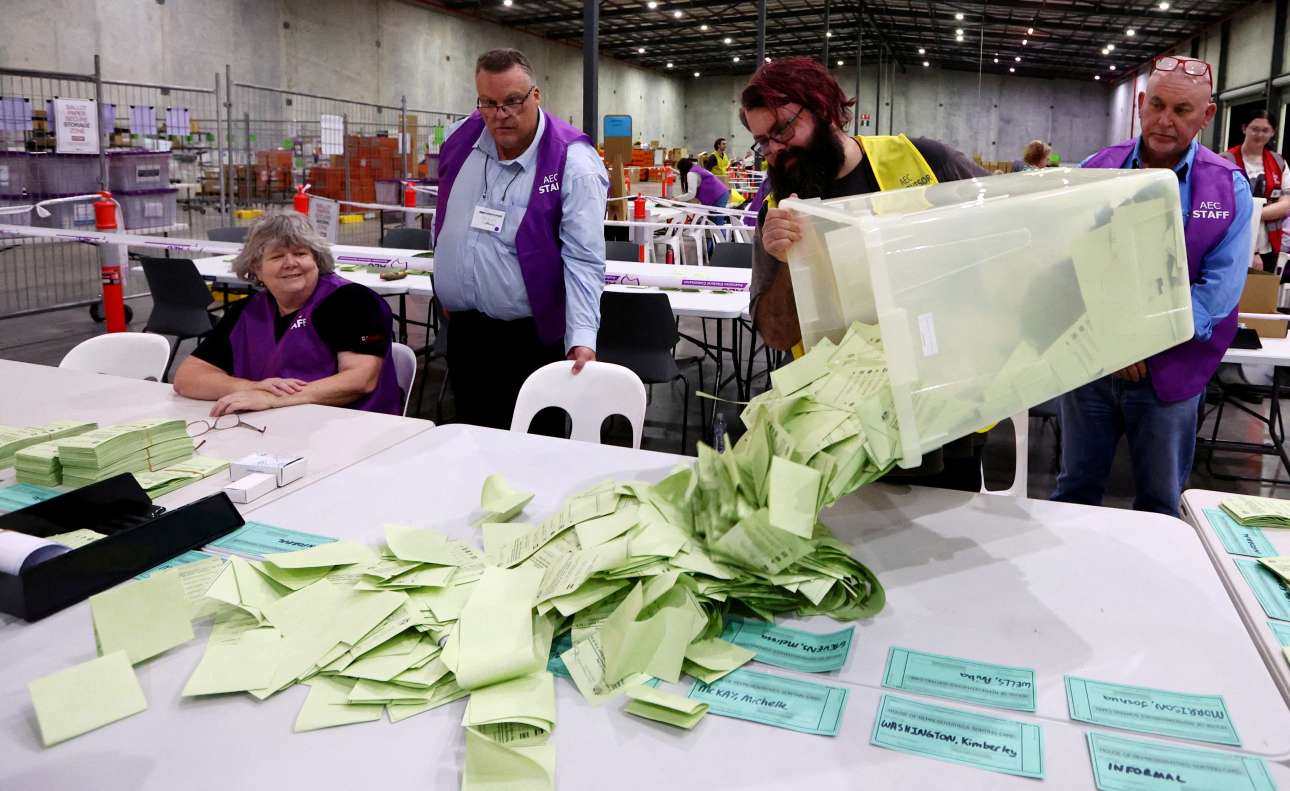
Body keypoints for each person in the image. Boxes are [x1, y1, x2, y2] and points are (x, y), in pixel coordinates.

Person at [740, 56, 988, 491]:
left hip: (943, 413)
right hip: (841, 426)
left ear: (825, 110)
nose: (774, 149)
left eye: (782, 130)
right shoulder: (779, 209)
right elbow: (777, 336)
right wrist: (782, 261)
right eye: (762, 141)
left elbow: (1006, 229)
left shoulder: (926, 163)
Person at [1052, 55, 1253, 517]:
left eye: (1182, 111)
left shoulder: (1228, 189)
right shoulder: (1094, 171)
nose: (1164, 121)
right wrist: (1116, 342)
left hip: (1173, 372)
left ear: (1207, 115)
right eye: (1157, 105)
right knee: (1074, 490)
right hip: (1094, 365)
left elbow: (1217, 291)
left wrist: (1142, 341)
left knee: (1161, 501)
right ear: (1140, 104)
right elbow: (1070, 264)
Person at [433, 48, 609, 430]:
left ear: (535, 95)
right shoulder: (461, 141)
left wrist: (582, 337)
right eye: (489, 103)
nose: (500, 114)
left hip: (530, 340)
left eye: (513, 101)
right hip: (465, 332)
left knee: (534, 452)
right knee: (469, 441)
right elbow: (446, 218)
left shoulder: (573, 163)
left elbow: (584, 259)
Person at [174, 213, 402, 416]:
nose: (290, 263)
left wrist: (274, 399)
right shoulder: (245, 311)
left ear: (316, 260)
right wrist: (250, 388)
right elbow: (187, 377)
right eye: (276, 257)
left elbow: (361, 380)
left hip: (352, 428)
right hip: (273, 427)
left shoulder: (355, 302)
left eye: (300, 253)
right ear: (256, 269)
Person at [1222, 110, 1290, 272]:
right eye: (1255, 128)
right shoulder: (1224, 160)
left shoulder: (1279, 162)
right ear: (1244, 128)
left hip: (1269, 246)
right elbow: (1224, 206)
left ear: (1273, 132)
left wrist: (1251, 212)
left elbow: (1286, 204)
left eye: (1265, 130)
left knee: (1261, 294)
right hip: (1234, 244)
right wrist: (1252, 250)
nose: (1259, 134)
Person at [675, 156, 732, 224]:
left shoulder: (691, 174)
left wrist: (677, 199)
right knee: (713, 221)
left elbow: (691, 194)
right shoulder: (697, 169)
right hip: (720, 194)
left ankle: (723, 234)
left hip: (718, 196)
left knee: (717, 222)